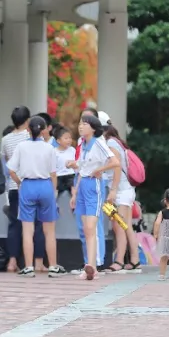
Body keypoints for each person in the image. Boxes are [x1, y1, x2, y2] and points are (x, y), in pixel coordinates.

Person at [6, 116, 64, 277]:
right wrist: (53, 192)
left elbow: (11, 170)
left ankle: (29, 267)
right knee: (49, 230)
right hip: (45, 185)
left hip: (28, 186)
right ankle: (53, 266)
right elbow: (53, 173)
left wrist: (19, 183)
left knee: (27, 230)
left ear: (28, 130)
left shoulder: (21, 146)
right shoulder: (49, 148)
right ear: (44, 130)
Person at [69, 114, 119, 280]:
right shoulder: (82, 144)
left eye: (85, 124)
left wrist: (100, 170)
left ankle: (93, 265)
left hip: (93, 186)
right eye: (80, 123)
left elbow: (115, 162)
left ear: (93, 128)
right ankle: (89, 266)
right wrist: (75, 191)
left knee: (91, 228)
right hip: (82, 185)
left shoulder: (99, 143)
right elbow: (82, 168)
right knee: (85, 229)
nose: (81, 126)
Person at [2, 107, 46, 273]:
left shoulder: (6, 139)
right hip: (31, 184)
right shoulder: (31, 137)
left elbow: (8, 163)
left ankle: (12, 261)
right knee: (37, 224)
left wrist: (17, 181)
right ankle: (38, 262)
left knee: (14, 224)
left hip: (14, 186)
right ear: (28, 120)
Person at [102, 125, 141, 273]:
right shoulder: (117, 142)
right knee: (126, 226)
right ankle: (135, 260)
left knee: (119, 226)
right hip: (124, 190)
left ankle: (119, 261)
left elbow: (116, 167)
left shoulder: (110, 143)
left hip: (120, 191)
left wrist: (113, 190)